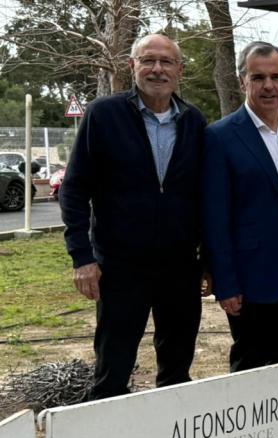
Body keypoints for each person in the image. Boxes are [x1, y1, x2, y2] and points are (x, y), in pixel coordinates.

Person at [59, 33, 206, 400]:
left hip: (180, 267)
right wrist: (82, 257)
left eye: (166, 62)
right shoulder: (103, 115)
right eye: (148, 60)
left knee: (176, 370)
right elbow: (75, 189)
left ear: (180, 71)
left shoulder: (194, 122)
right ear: (132, 66)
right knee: (113, 368)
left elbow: (205, 196)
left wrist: (210, 261)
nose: (157, 69)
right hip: (121, 268)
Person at [202, 42, 278, 372]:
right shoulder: (220, 137)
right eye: (258, 77)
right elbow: (215, 216)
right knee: (251, 366)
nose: (268, 86)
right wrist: (226, 282)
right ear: (242, 82)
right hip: (252, 275)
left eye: (275, 77)